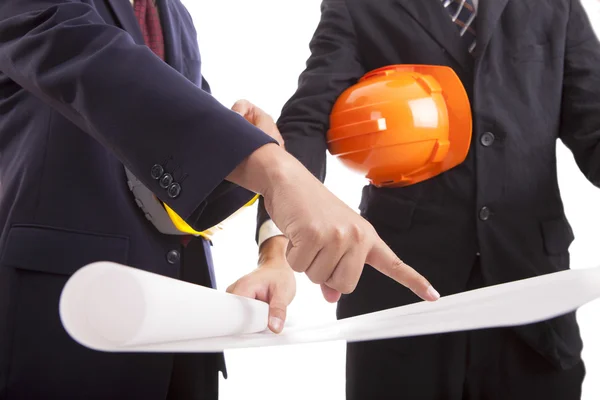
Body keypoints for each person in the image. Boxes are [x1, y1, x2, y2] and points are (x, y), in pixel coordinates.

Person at [0, 0, 441, 399]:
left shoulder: (174, 14)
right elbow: (80, 52)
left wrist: (251, 157)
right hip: (68, 315)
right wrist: (269, 165)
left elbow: (173, 163)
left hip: (185, 323)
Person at [251, 0, 600, 398]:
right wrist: (275, 249)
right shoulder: (357, 6)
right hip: (401, 308)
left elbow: (595, 126)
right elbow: (306, 123)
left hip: (534, 303)